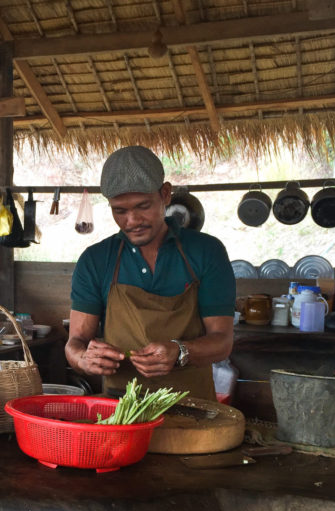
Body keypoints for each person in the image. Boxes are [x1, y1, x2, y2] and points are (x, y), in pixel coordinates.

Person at [65, 146, 236, 400]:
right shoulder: (96, 260)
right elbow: (75, 342)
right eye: (119, 211)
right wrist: (84, 359)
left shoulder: (206, 252)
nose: (132, 221)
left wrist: (180, 351)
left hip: (193, 406)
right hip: (121, 408)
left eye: (143, 206)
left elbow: (222, 341)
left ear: (165, 194)